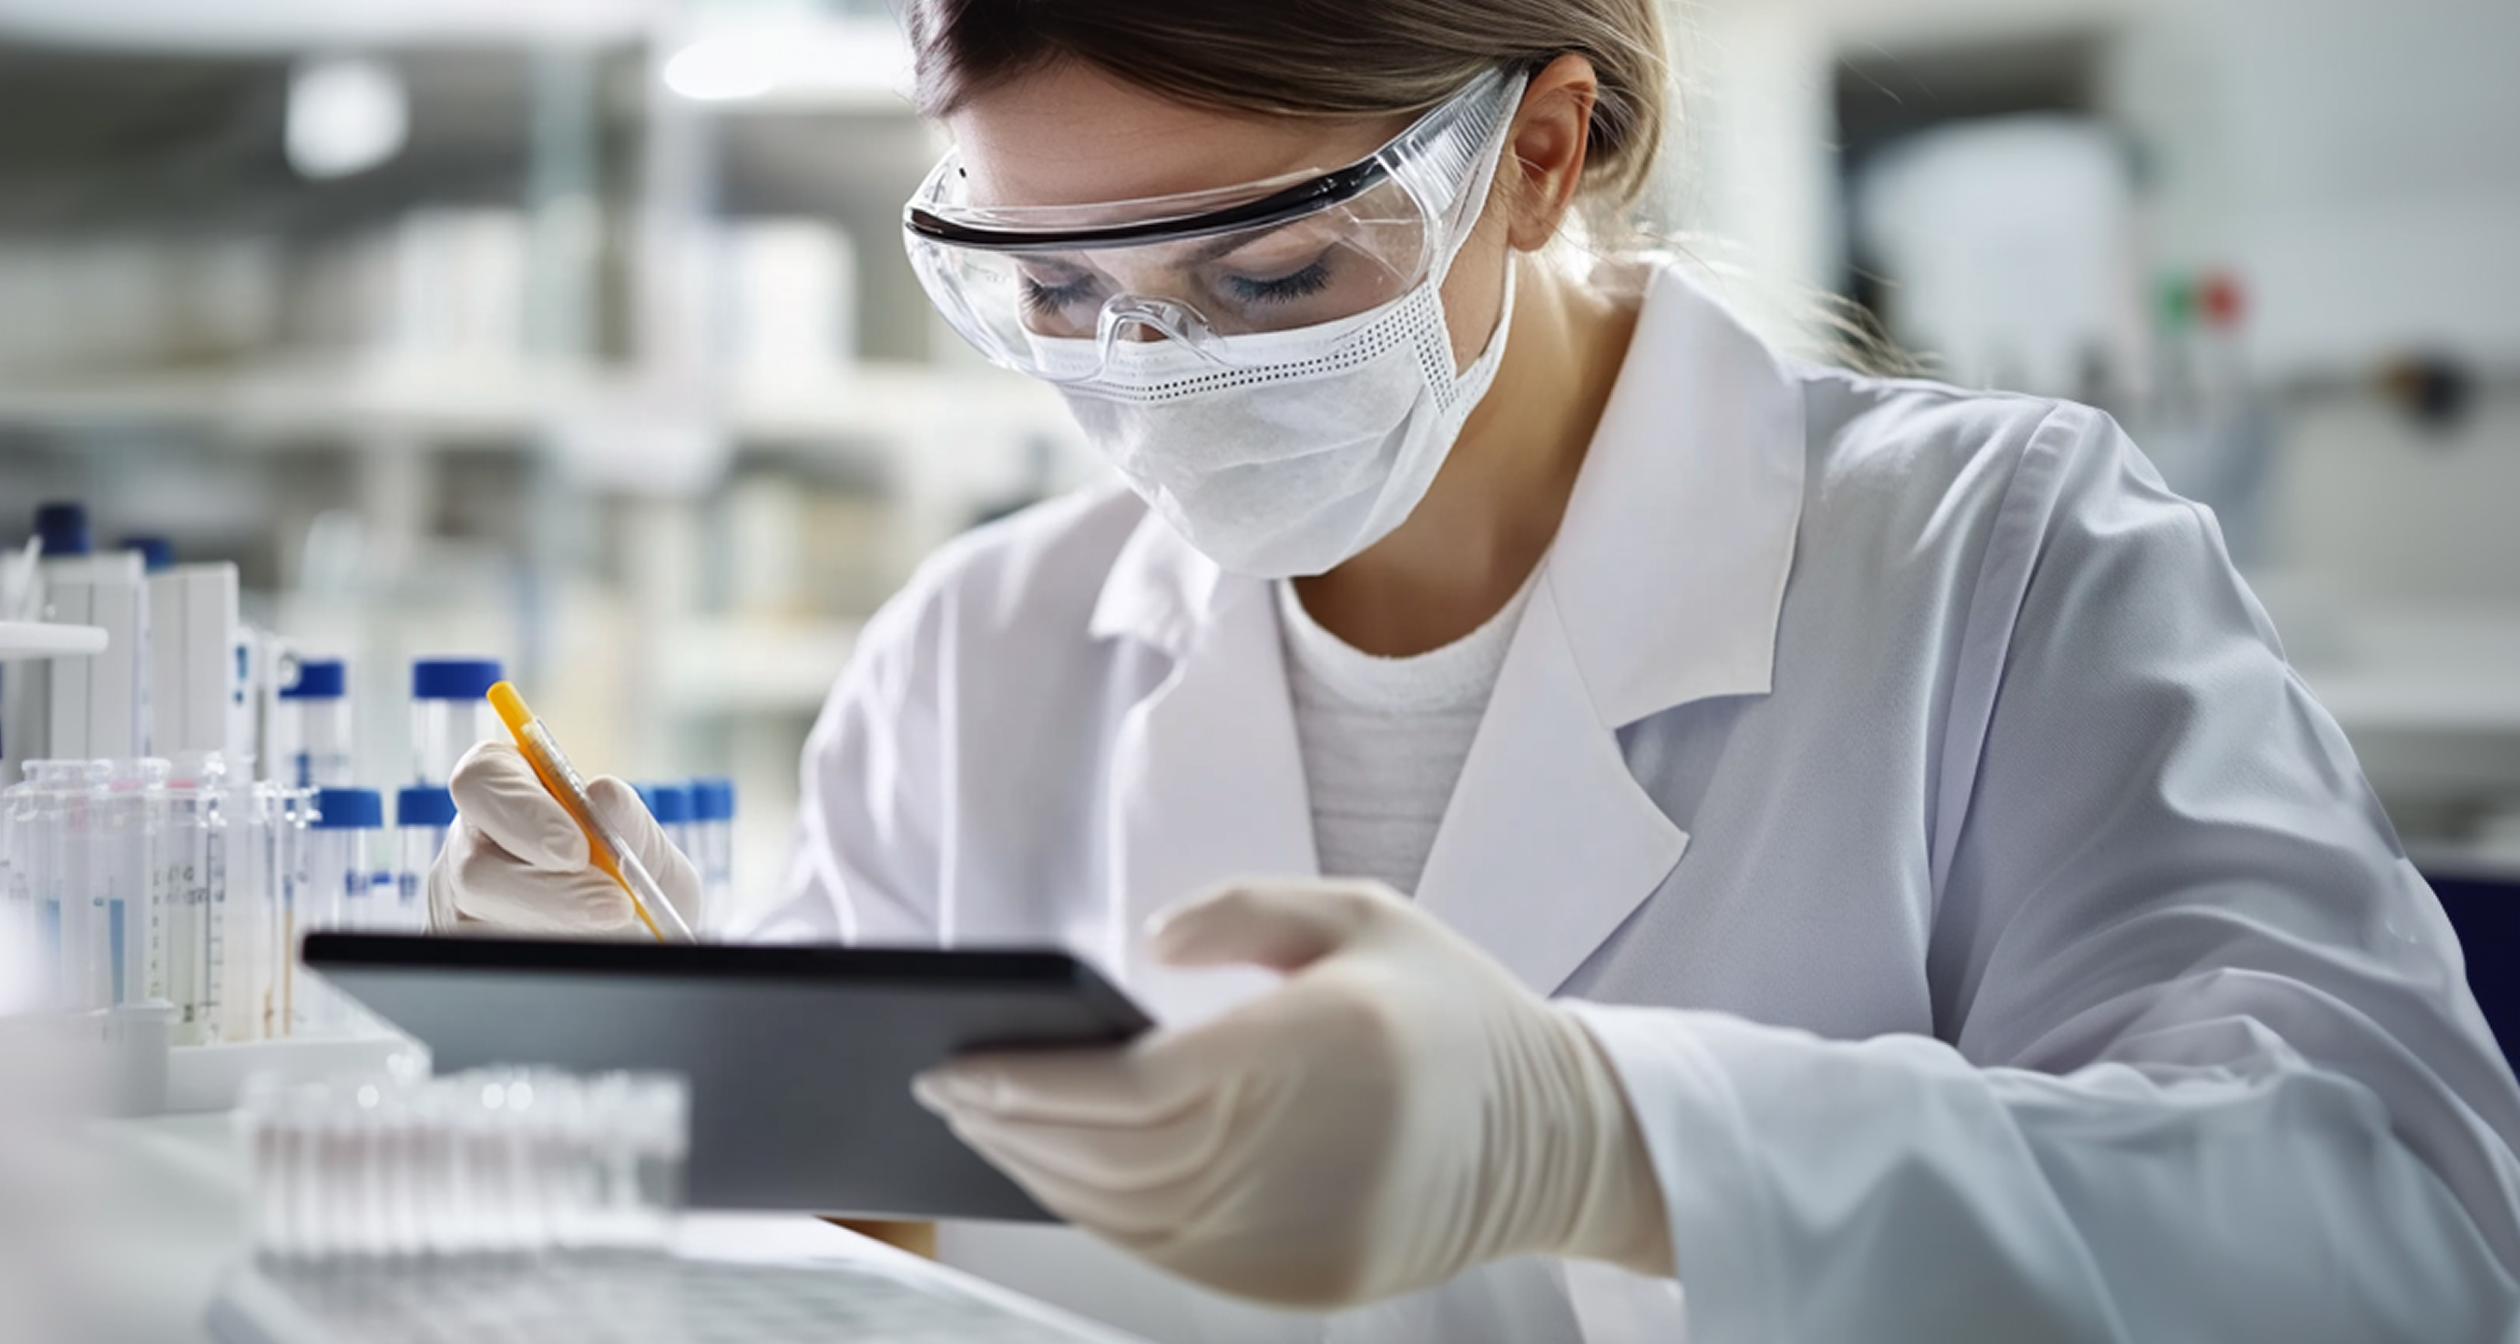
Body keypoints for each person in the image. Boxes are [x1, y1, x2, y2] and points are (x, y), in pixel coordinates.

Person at [429, 1, 2520, 1339]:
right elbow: (885, 1259)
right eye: (1052, 288)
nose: (1153, 377)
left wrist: (1607, 1145)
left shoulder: (2000, 561)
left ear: (1535, 149)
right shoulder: (983, 648)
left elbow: (2401, 1250)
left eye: (1267, 272)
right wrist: (680, 1051)